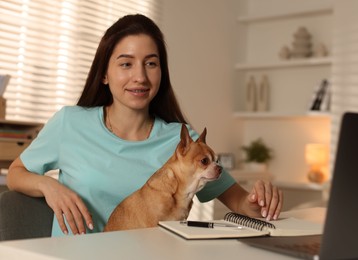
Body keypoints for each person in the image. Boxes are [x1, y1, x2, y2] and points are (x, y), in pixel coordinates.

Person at [7, 14, 283, 237]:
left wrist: (258, 202)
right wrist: (48, 186)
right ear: (104, 73)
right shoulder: (70, 122)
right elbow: (15, 174)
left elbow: (238, 201)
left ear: (161, 72)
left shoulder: (184, 142)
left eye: (151, 63)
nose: (139, 76)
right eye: (126, 64)